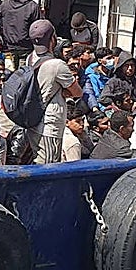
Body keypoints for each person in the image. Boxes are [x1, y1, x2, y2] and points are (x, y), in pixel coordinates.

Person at [26, 20, 83, 164]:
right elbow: (77, 92)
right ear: (52, 39)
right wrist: (65, 91)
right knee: (48, 167)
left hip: (33, 120)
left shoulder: (30, 58)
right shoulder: (57, 65)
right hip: (49, 125)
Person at [0, 0, 40, 69]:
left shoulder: (6, 4)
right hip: (26, 47)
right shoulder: (33, 6)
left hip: (9, 47)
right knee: (24, 75)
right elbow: (37, 26)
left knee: (10, 75)